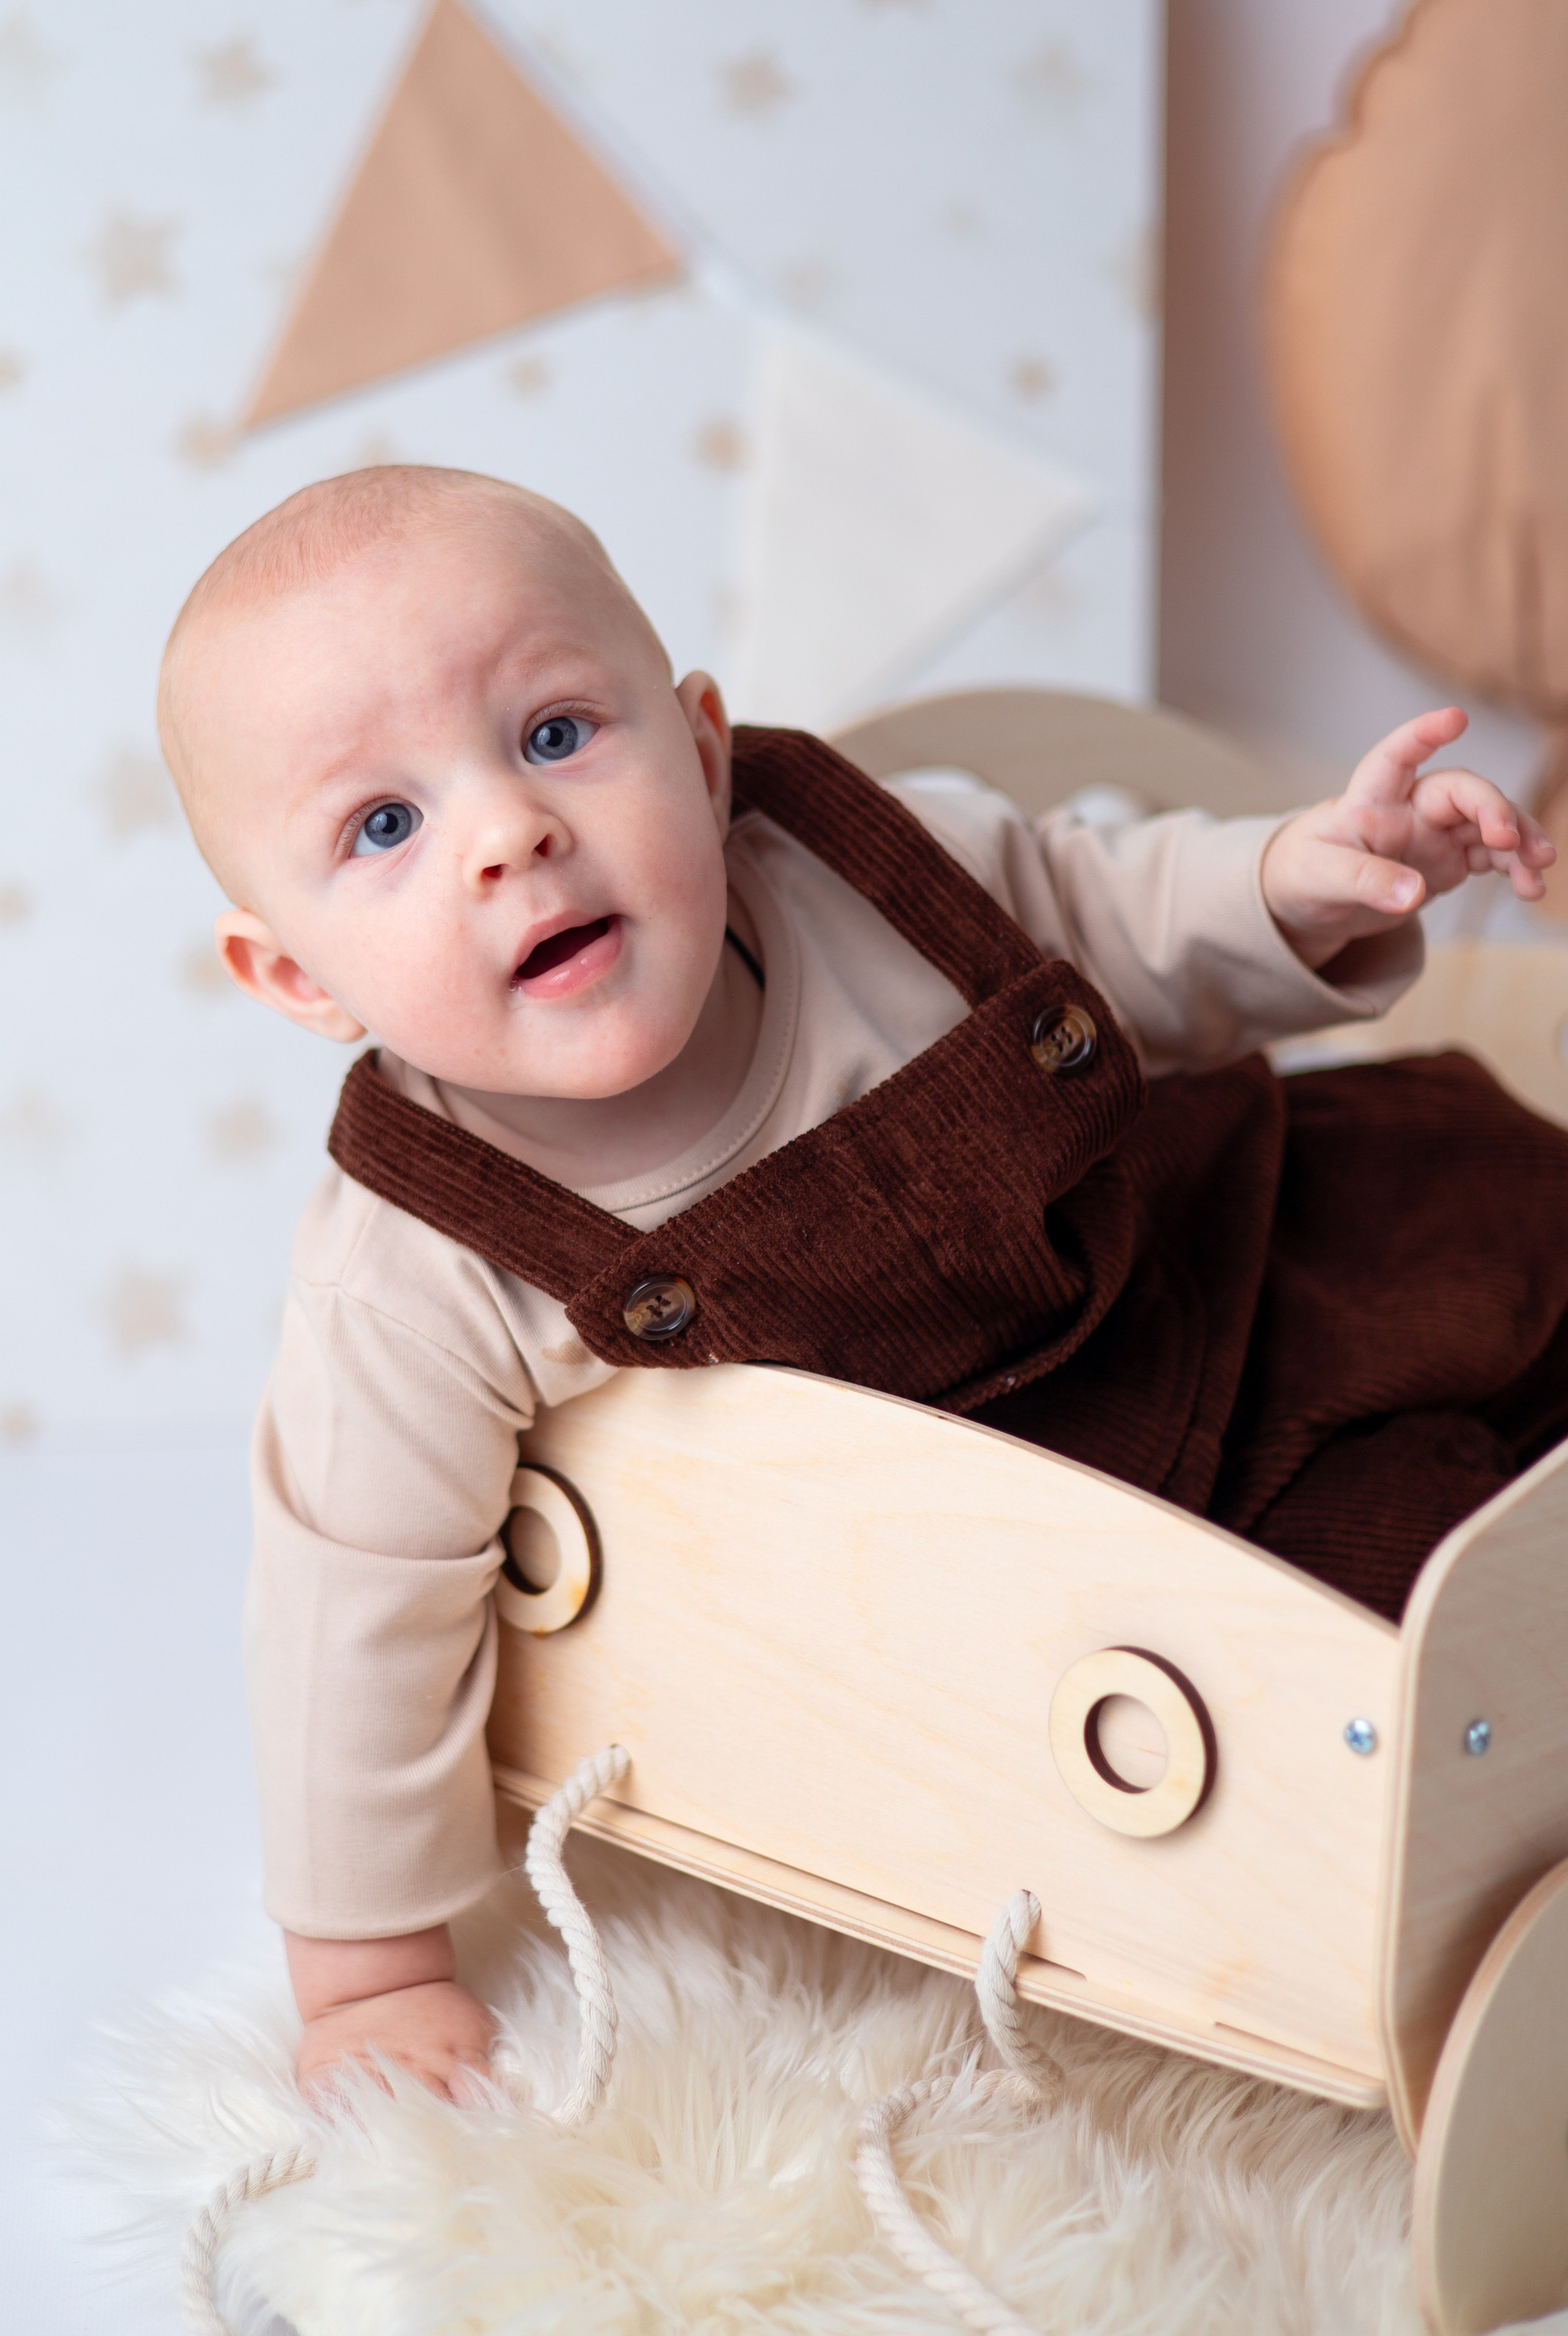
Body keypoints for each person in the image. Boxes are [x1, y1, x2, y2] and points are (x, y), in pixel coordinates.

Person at [158, 464, 1561, 2100]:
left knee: (1506, 1217)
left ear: (698, 748)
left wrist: (1300, 880)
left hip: (1229, 1226)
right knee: (1401, 1632)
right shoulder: (418, 1269)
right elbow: (352, 1616)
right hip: (1099, 1543)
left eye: (553, 733)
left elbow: (1098, 906)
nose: (508, 832)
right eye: (384, 825)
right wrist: (367, 1977)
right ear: (293, 975)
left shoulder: (852, 863)